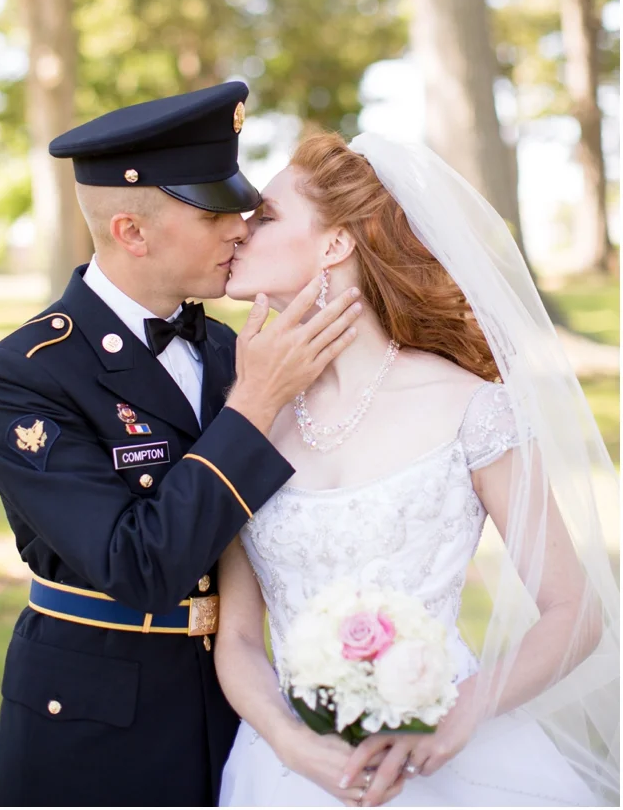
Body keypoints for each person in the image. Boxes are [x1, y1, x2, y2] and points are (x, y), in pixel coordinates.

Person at [0, 82, 358, 805]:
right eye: (215, 211)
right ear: (132, 232)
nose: (241, 227)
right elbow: (138, 565)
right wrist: (255, 404)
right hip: (97, 718)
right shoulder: (24, 377)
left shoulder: (228, 348)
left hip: (235, 702)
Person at [214, 132, 617, 807]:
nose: (239, 231)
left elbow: (574, 610)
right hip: (283, 770)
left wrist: (462, 713)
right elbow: (241, 639)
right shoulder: (245, 420)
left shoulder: (469, 409)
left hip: (447, 749)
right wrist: (290, 744)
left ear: (336, 244)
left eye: (267, 217)